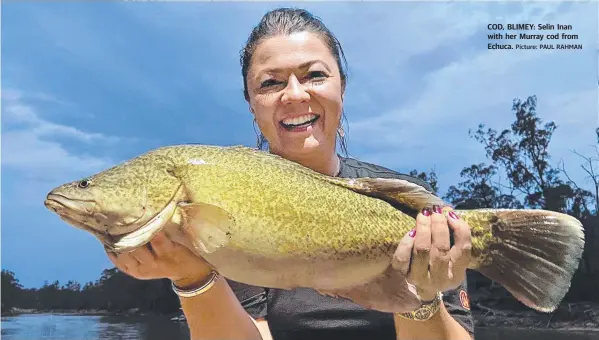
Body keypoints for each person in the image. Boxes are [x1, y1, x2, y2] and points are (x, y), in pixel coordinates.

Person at [107, 7, 475, 340]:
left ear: (341, 89)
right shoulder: (225, 209)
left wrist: (419, 295)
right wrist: (192, 278)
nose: (295, 95)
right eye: (271, 82)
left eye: (314, 75)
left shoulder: (412, 202)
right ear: (252, 105)